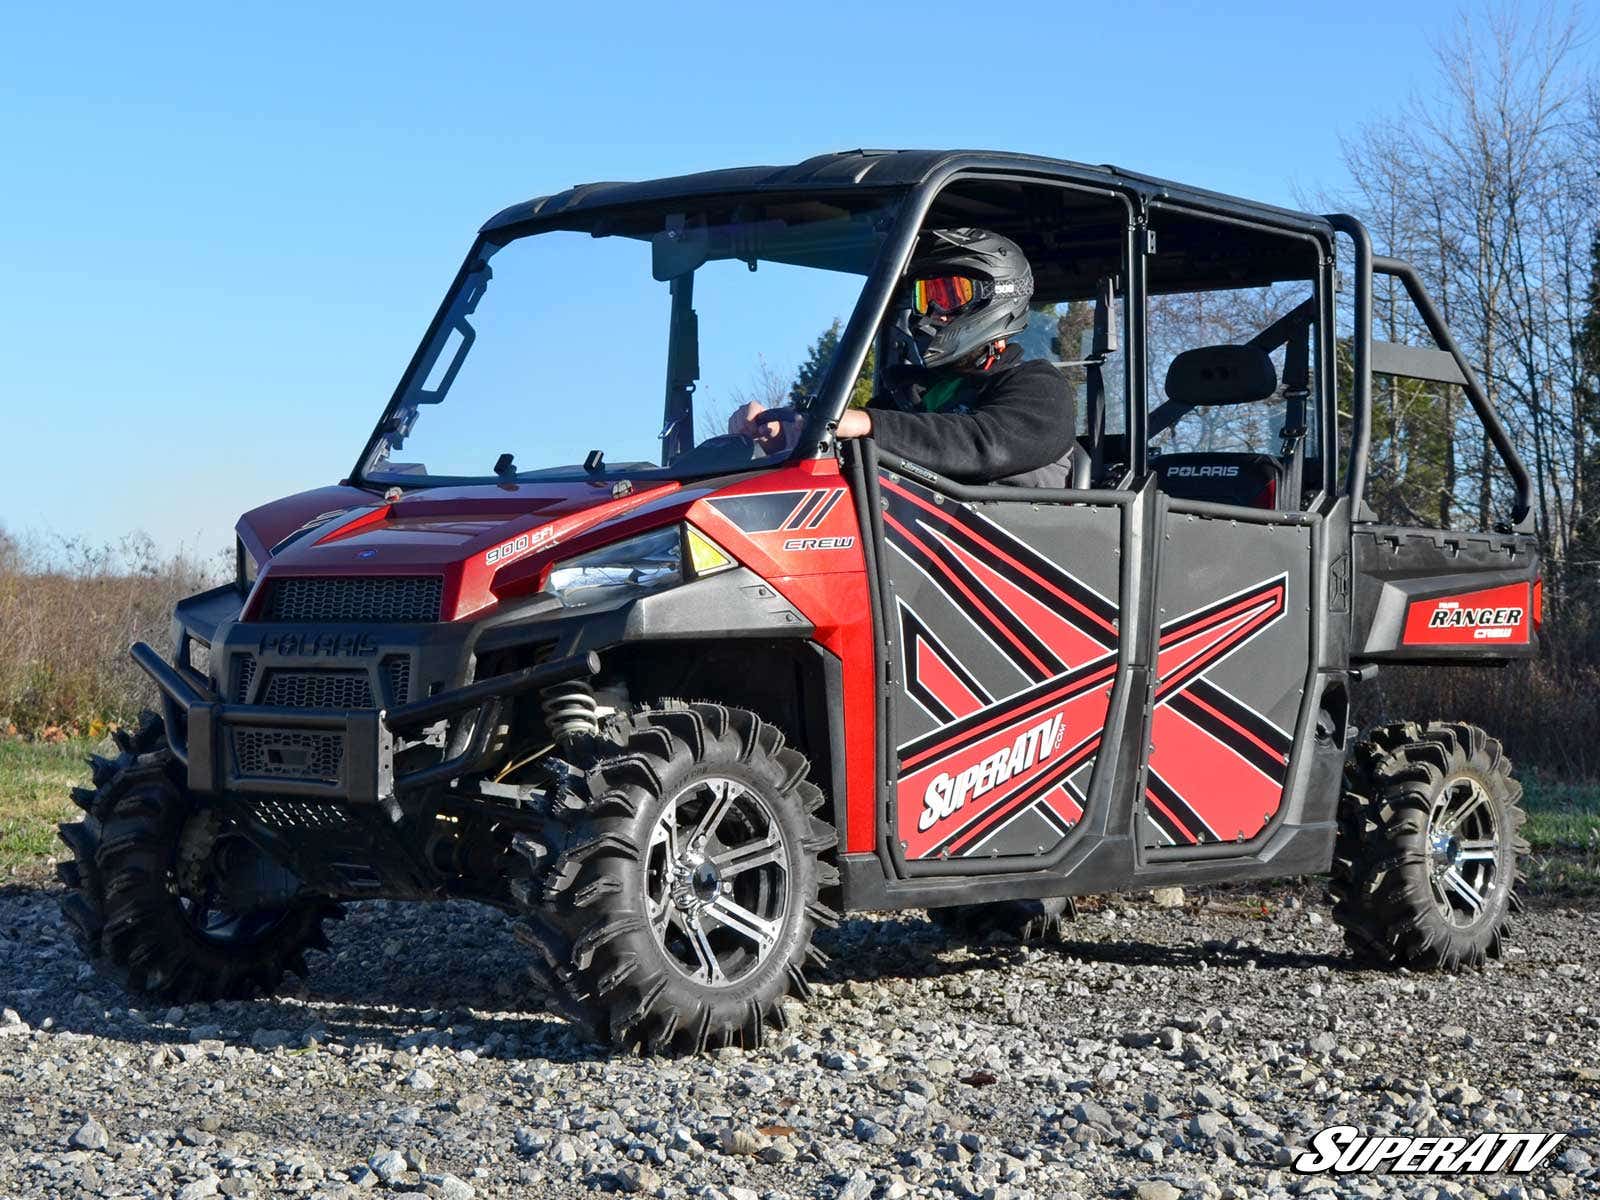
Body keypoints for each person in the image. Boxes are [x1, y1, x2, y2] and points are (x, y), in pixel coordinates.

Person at [728, 228, 1078, 486]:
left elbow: (983, 444)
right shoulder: (908, 397)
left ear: (996, 297)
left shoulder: (1039, 387)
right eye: (927, 296)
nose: (934, 311)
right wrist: (784, 438)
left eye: (951, 293)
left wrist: (867, 424)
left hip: (1007, 567)